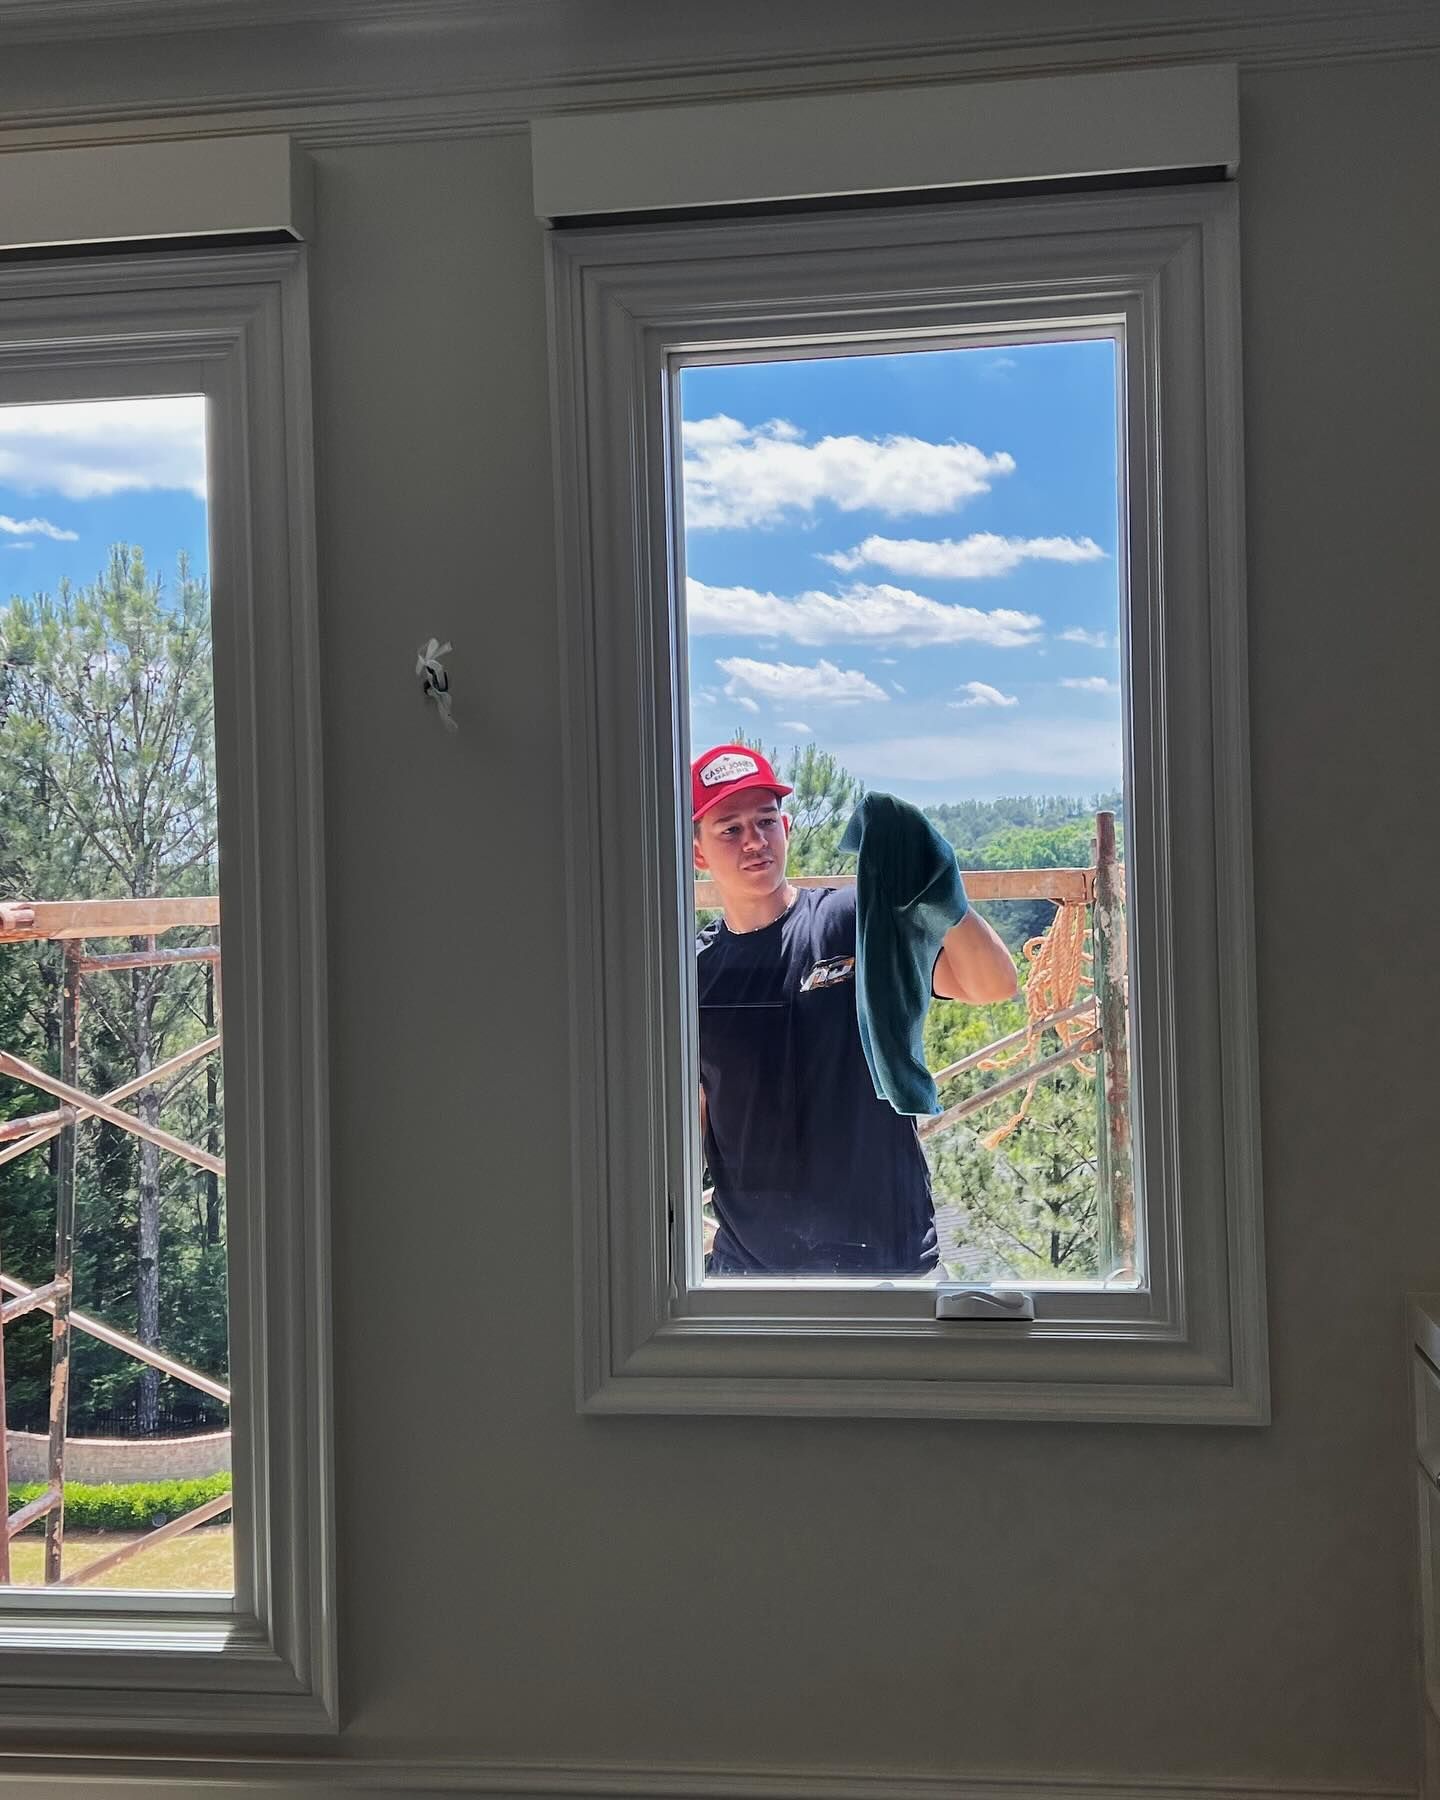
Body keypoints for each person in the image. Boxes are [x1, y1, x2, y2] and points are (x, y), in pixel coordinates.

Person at [692, 743, 1018, 1278]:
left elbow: (992, 985)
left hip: (888, 1262)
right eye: (730, 829)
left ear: (787, 828)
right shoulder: (694, 973)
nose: (754, 841)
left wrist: (944, 897)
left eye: (766, 822)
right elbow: (692, 1113)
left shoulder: (851, 924)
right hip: (753, 1273)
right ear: (699, 852)